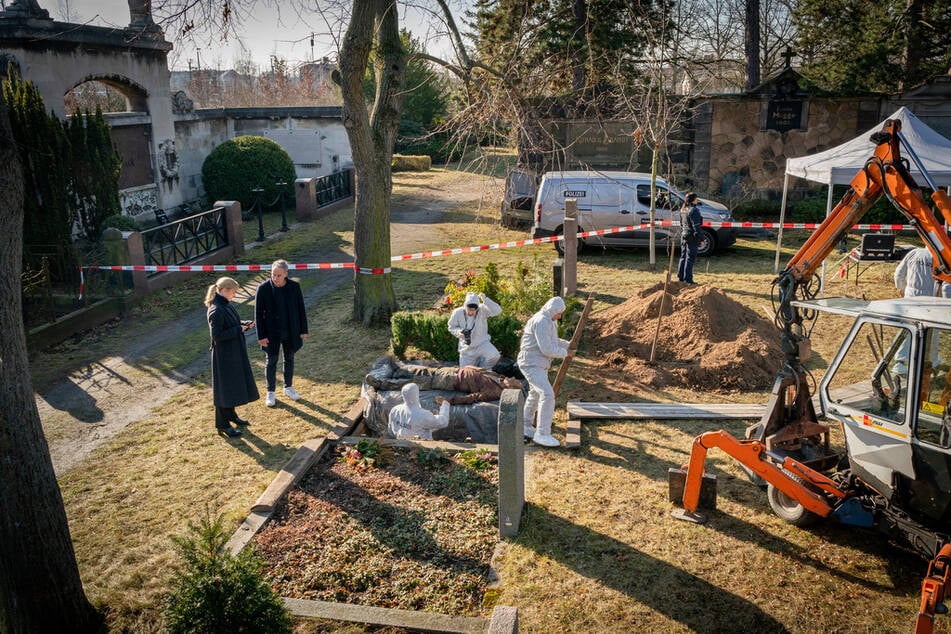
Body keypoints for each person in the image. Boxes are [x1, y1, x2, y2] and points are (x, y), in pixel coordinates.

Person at [205, 277, 259, 438]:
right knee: (224, 389)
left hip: (233, 351)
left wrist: (243, 324)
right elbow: (217, 335)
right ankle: (222, 424)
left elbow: (231, 323)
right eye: (233, 292)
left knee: (232, 386)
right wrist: (239, 329)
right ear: (224, 290)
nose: (234, 295)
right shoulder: (216, 309)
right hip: (224, 355)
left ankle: (232, 416)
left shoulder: (225, 304)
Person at [255, 259, 309, 407]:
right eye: (273, 274)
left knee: (289, 358)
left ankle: (288, 387)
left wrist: (304, 330)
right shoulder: (263, 288)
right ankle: (270, 392)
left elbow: (300, 309)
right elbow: (258, 314)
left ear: (286, 274)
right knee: (271, 360)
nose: (275, 278)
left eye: (279, 275)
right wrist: (261, 335)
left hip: (291, 330)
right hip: (271, 332)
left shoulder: (294, 287)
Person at [518, 296, 570, 447]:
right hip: (531, 363)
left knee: (535, 393)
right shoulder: (541, 321)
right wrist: (565, 353)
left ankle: (525, 425)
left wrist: (568, 344)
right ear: (552, 309)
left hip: (538, 363)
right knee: (547, 394)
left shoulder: (549, 321)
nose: (559, 316)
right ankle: (542, 433)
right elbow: (547, 348)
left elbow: (553, 340)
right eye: (559, 313)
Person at [365, 359, 522, 405]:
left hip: (452, 380)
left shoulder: (495, 391)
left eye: (513, 381)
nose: (512, 378)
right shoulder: (499, 377)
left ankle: (381, 384)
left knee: (420, 381)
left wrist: (448, 401)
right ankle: (398, 368)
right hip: (454, 371)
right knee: (424, 371)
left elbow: (473, 397)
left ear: (509, 390)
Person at [448, 291, 502, 368]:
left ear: (477, 307)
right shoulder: (457, 312)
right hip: (466, 348)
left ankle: (483, 370)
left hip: (482, 344)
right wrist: (458, 333)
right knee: (465, 373)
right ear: (465, 305)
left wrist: (486, 300)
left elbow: (498, 310)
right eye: (469, 309)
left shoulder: (482, 310)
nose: (471, 312)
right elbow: (451, 326)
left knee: (494, 356)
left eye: (474, 310)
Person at [387, 383, 451, 440]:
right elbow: (443, 422)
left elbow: (391, 430)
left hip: (401, 446)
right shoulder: (423, 414)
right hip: (421, 449)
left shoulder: (395, 410)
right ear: (416, 395)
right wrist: (445, 404)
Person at [677, 192, 703, 284]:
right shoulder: (694, 210)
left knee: (683, 256)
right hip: (691, 236)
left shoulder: (682, 209)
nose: (697, 200)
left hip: (684, 235)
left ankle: (681, 277)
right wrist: (701, 238)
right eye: (696, 199)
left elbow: (681, 224)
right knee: (690, 258)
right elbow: (696, 226)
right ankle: (688, 279)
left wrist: (684, 233)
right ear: (693, 200)